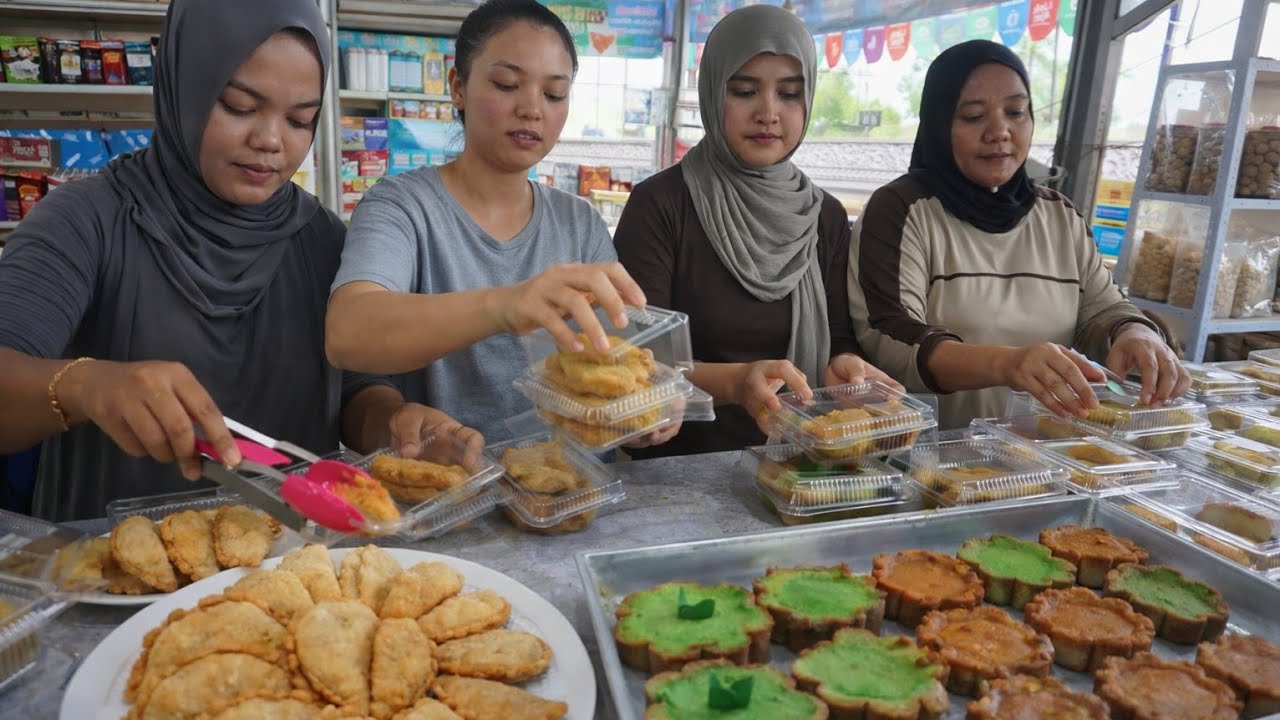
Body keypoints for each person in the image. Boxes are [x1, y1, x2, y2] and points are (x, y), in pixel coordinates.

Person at [0, 0, 462, 521]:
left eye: (299, 120)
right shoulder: (86, 220)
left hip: (292, 568)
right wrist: (88, 385)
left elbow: (353, 389)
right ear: (186, 85)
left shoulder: (324, 238)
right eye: (240, 106)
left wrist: (393, 423)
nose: (269, 141)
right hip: (114, 575)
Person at [326, 0, 675, 447]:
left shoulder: (579, 223)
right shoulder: (401, 206)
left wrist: (641, 413)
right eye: (507, 84)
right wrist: (504, 306)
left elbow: (609, 360)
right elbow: (348, 332)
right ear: (457, 87)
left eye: (553, 94)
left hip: (575, 493)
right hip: (446, 493)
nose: (532, 109)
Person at [849, 40, 1190, 430]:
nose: (1000, 132)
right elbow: (891, 340)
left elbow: (1103, 309)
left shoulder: (1059, 216)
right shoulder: (901, 210)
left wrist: (1134, 331)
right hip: (926, 458)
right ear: (939, 123)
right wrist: (1007, 363)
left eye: (1015, 112)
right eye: (974, 116)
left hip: (1043, 455)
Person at [612, 4, 897, 457]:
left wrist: (845, 367)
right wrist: (735, 382)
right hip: (677, 473)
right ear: (712, 93)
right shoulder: (661, 206)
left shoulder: (823, 214)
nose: (768, 112)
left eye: (789, 94)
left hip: (797, 465)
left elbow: (838, 336)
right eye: (744, 91)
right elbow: (637, 361)